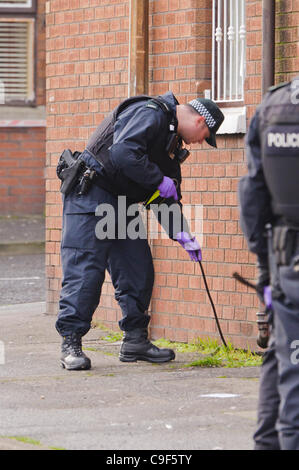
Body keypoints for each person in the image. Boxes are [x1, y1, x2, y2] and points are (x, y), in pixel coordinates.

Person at [56, 92, 224, 371]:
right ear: (198, 120)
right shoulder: (152, 113)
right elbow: (122, 153)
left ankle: (135, 341)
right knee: (86, 270)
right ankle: (70, 343)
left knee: (137, 268)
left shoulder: (170, 142)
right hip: (92, 193)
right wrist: (159, 179)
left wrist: (182, 233)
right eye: (204, 134)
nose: (200, 141)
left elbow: (164, 196)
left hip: (121, 204)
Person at [238, 76, 299, 450]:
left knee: (284, 354)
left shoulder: (273, 105)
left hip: (284, 256)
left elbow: (252, 192)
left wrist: (265, 263)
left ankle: (267, 442)